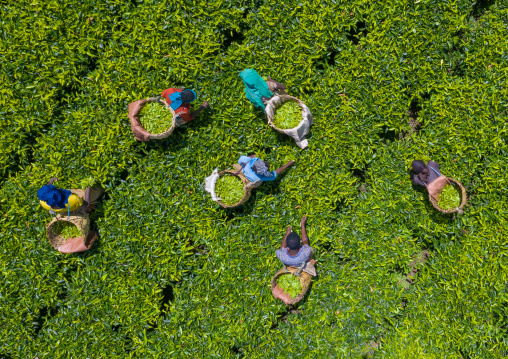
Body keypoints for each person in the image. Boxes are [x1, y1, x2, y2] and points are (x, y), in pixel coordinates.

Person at [38, 177, 103, 215]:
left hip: (67, 208)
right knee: (99, 189)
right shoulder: (73, 199)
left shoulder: (43, 203)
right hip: (82, 200)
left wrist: (50, 182)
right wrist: (88, 191)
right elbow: (86, 207)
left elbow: (45, 194)